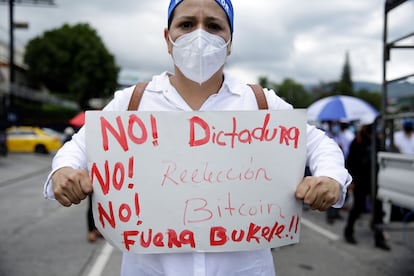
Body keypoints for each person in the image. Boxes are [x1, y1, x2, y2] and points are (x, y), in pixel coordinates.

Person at [43, 0, 352, 275]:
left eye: (214, 25)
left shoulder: (260, 103)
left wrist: (330, 178)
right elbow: (78, 147)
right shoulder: (131, 102)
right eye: (187, 24)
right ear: (167, 38)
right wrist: (63, 172)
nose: (199, 35)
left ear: (229, 42)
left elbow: (319, 143)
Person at [343, 118, 391, 251]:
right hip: (360, 181)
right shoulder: (357, 141)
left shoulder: (377, 140)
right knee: (357, 207)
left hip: (375, 181)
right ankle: (348, 232)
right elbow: (350, 162)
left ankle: (379, 238)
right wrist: (351, 180)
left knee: (378, 210)